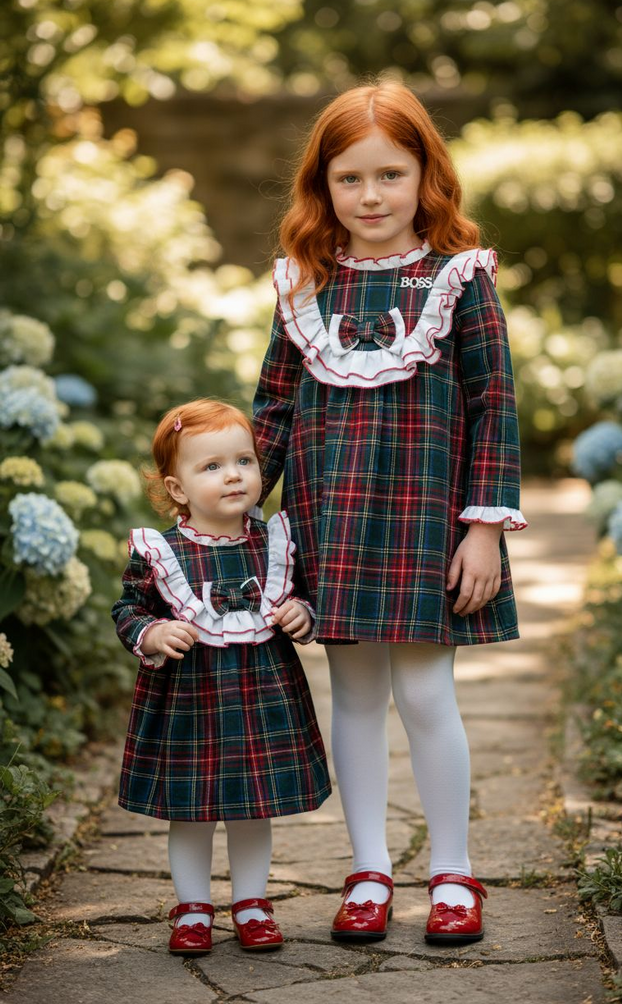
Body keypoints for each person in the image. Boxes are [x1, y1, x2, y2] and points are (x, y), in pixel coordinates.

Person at [252, 80, 527, 946]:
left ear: (425, 176)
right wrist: (231, 523)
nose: (369, 197)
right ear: (321, 185)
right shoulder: (305, 287)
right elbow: (272, 408)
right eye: (348, 179)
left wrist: (483, 527)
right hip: (330, 518)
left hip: (423, 521)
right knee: (356, 697)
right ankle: (368, 869)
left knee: (424, 694)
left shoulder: (459, 278)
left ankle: (452, 872)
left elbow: (494, 405)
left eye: (388, 175)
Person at [112, 399, 330, 956]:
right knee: (192, 810)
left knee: (252, 807)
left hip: (262, 694)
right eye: (211, 466)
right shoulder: (162, 553)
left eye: (244, 460)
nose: (233, 474)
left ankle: (252, 902)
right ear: (177, 488)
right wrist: (154, 633)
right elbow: (129, 608)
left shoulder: (275, 545)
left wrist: (302, 614)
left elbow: (299, 600)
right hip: (190, 699)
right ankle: (192, 909)